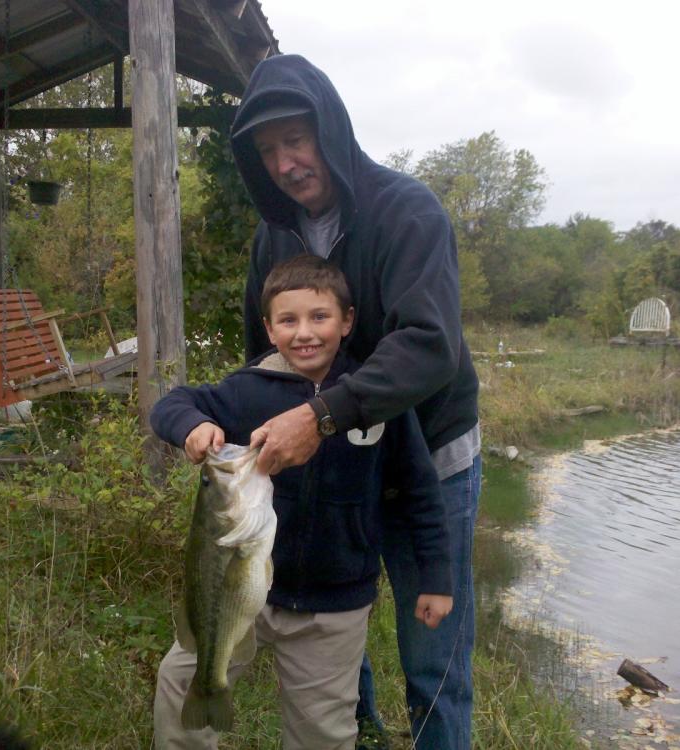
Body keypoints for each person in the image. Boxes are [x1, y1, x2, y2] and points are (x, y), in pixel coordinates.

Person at [229, 55, 482, 750]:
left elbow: (430, 344)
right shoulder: (272, 237)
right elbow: (264, 356)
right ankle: (358, 736)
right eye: (268, 149)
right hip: (337, 467)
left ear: (330, 130)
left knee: (434, 659)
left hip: (432, 457)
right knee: (335, 632)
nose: (285, 163)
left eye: (296, 139)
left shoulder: (407, 211)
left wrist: (319, 415)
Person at [151, 256, 453, 750]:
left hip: (333, 609)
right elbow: (170, 404)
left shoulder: (375, 397)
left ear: (348, 321)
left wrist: (436, 579)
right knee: (181, 679)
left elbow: (420, 492)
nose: (305, 333)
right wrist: (192, 428)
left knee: (324, 732)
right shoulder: (246, 391)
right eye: (288, 321)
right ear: (269, 329)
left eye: (320, 317)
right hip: (246, 597)